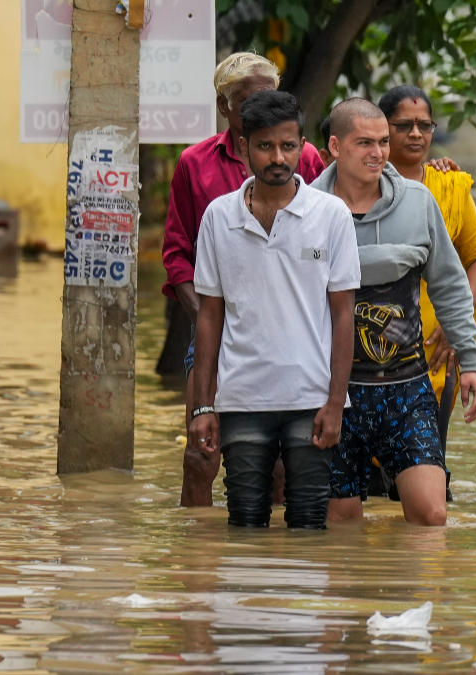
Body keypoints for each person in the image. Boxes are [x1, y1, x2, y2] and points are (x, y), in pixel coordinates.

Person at [188, 90, 360, 529]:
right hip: (242, 399)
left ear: (302, 146)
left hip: (312, 399)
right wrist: (203, 406)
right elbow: (209, 315)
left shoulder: (331, 215)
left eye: (288, 145)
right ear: (243, 147)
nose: (277, 157)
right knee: (244, 522)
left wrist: (336, 402)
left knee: (307, 523)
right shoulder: (218, 218)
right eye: (265, 146)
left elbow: (344, 314)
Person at [311, 98, 476, 527]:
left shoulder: (417, 202)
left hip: (407, 390)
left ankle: (421, 597)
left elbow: (448, 282)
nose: (379, 153)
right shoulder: (307, 209)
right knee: (341, 524)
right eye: (364, 143)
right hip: (334, 394)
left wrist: (471, 361)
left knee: (431, 516)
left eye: (383, 143)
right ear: (335, 146)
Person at [162, 52, 325, 508]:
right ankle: (198, 555)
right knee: (200, 454)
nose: (261, 110)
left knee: (279, 465)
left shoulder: (305, 158)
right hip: (217, 327)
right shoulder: (195, 164)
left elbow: (348, 202)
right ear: (224, 107)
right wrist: (212, 317)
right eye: (249, 102)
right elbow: (177, 257)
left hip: (290, 332)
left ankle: (267, 563)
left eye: (270, 98)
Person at [376, 85, 476, 489]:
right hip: (368, 348)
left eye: (424, 125)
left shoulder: (451, 185)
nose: (415, 134)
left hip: (436, 348)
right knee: (365, 478)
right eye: (403, 125)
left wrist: (455, 323)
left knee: (424, 466)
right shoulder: (361, 185)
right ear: (382, 129)